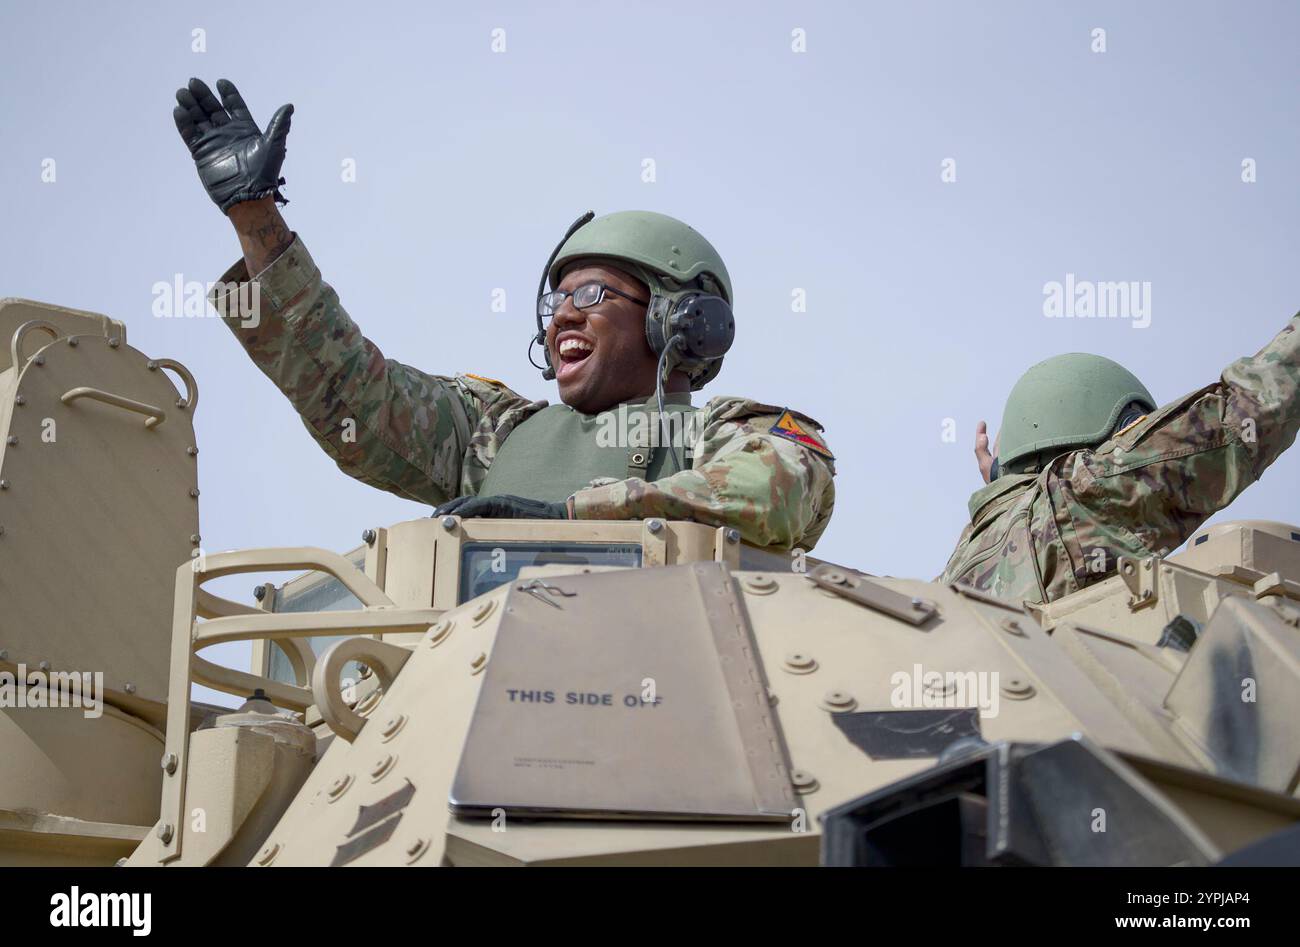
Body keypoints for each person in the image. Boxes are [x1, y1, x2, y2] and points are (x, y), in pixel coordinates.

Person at [172, 78, 836, 551]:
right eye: (554, 302)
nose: (561, 320)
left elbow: (779, 493)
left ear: (676, 320)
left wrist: (573, 516)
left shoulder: (735, 432)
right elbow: (349, 391)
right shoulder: (492, 433)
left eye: (592, 295)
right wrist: (256, 220)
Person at [939, 321, 1300, 604]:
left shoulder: (952, 573)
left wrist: (1002, 488)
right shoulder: (1077, 501)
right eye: (1132, 433)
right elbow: (1244, 412)